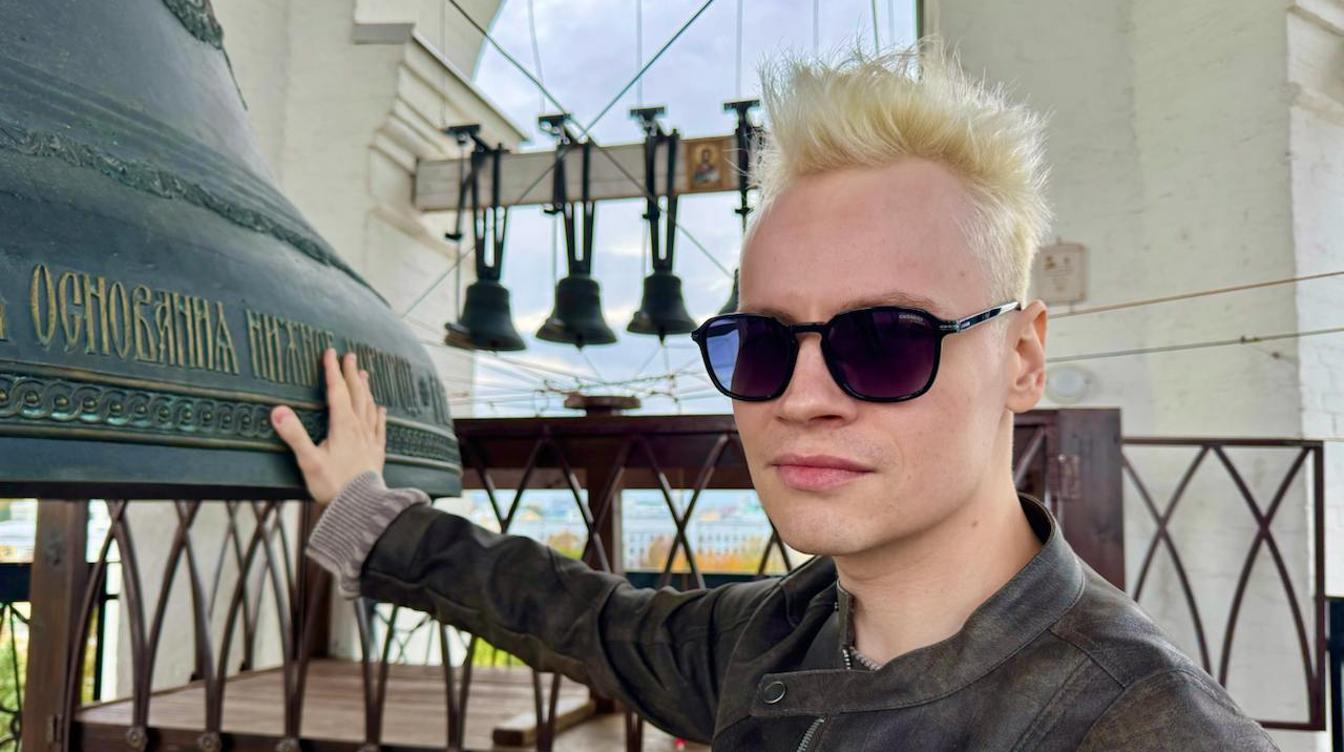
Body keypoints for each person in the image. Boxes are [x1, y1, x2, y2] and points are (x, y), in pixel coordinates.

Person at [270, 41, 1277, 751]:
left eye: (884, 341)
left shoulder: (1145, 728)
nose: (802, 397)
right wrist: (365, 511)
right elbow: (574, 613)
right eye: (760, 344)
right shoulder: (775, 636)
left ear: (1021, 356)